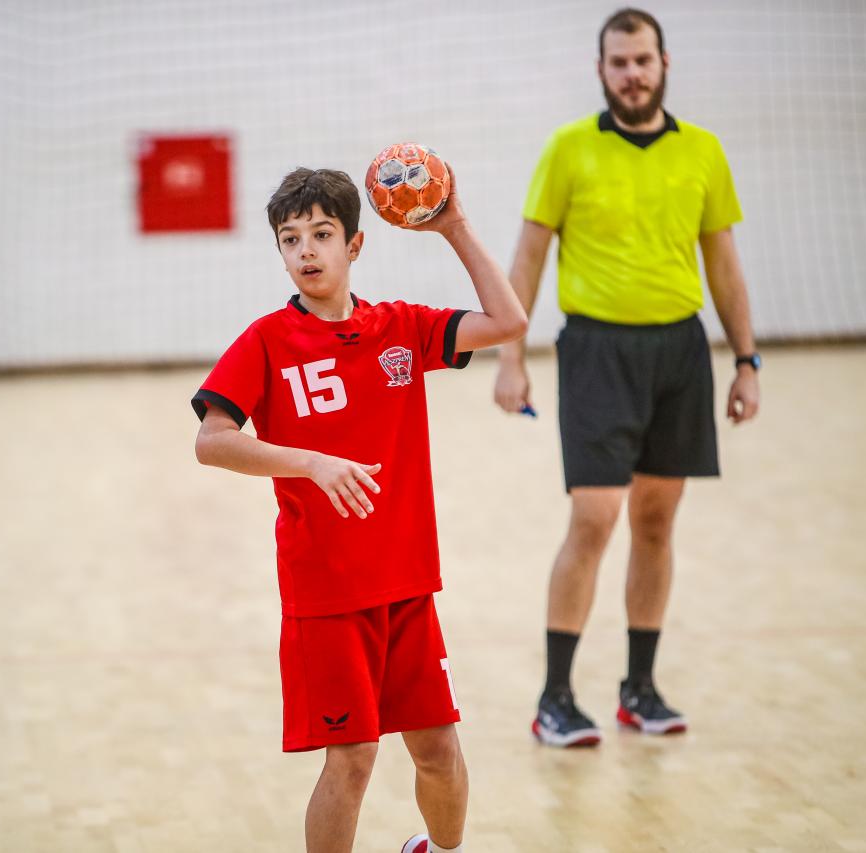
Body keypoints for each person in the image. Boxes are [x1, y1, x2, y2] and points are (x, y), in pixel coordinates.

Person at [192, 167, 526, 853]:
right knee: (352, 758)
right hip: (327, 592)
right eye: (290, 239)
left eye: (321, 234)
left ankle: (439, 850)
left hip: (406, 585)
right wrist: (310, 462)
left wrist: (454, 226)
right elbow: (211, 441)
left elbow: (509, 322)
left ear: (354, 244)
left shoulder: (400, 328)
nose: (306, 251)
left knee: (439, 751)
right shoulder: (267, 340)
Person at [493, 8, 762, 747]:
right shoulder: (568, 148)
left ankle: (639, 688)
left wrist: (746, 361)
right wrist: (510, 357)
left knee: (656, 520)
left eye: (643, 60)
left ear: (664, 63)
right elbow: (527, 257)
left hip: (680, 351)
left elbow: (723, 263)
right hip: (596, 351)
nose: (632, 74)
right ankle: (555, 697)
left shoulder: (703, 150)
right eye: (619, 63)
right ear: (601, 70)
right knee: (595, 517)